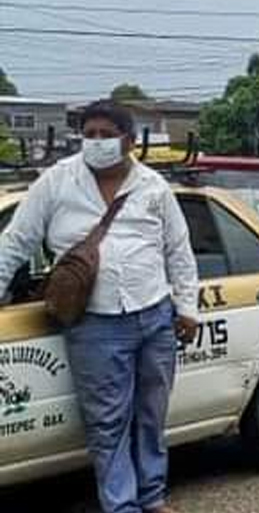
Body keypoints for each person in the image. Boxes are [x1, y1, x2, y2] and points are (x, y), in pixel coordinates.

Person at [0, 100, 199, 513]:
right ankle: (121, 506)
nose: (96, 142)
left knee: (150, 416)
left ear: (127, 140)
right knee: (108, 424)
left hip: (155, 316)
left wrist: (187, 307)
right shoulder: (56, 182)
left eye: (106, 134)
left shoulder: (152, 186)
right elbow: (14, 243)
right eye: (88, 134)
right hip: (94, 324)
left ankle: (152, 497)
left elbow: (178, 251)